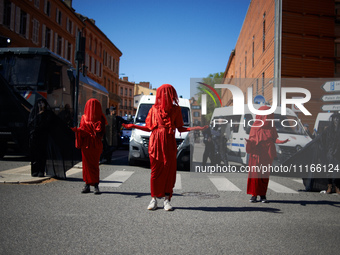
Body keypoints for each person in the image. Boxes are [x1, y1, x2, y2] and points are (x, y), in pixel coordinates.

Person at [123, 84, 207, 211]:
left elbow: (180, 128)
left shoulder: (176, 110)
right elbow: (149, 127)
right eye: (164, 93)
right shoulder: (153, 110)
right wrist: (134, 126)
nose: (166, 96)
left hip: (169, 143)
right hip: (155, 143)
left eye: (169, 93)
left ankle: (167, 200)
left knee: (169, 171)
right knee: (155, 172)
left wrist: (195, 128)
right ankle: (154, 199)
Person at [245, 105, 289, 203]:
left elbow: (274, 139)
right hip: (257, 154)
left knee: (264, 174)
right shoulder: (255, 126)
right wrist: (249, 142)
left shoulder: (271, 127)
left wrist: (281, 141)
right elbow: (252, 140)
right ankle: (254, 195)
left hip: (267, 154)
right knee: (255, 174)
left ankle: (262, 195)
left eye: (269, 115)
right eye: (265, 115)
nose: (267, 118)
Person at [72, 98, 107, 195]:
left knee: (90, 165)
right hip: (93, 144)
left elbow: (83, 130)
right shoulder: (101, 118)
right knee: (91, 165)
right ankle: (91, 185)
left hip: (89, 144)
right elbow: (102, 133)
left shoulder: (85, 118)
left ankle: (92, 184)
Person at [28, 98, 55, 177]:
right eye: (39, 103)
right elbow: (30, 123)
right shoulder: (34, 112)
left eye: (42, 103)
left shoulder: (47, 113)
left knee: (42, 154)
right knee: (34, 154)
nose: (41, 104)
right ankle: (34, 171)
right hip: (34, 136)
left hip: (43, 137)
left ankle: (41, 171)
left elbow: (49, 124)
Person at [322, 113, 340, 194]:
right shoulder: (328, 130)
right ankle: (329, 186)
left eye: (337, 119)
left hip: (338, 153)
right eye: (334, 119)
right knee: (329, 170)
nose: (336, 120)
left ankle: (337, 186)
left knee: (337, 170)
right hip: (329, 152)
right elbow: (323, 140)